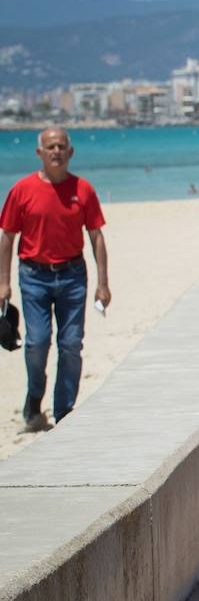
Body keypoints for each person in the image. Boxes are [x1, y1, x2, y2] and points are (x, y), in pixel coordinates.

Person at [0, 128, 112, 431]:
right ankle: (35, 395)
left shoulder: (83, 189)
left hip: (73, 275)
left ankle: (64, 414)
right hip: (33, 276)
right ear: (40, 153)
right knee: (37, 342)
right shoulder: (22, 190)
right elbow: (7, 237)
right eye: (50, 147)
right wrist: (3, 282)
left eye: (62, 146)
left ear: (71, 152)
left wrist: (103, 283)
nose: (56, 151)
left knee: (71, 344)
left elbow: (96, 236)